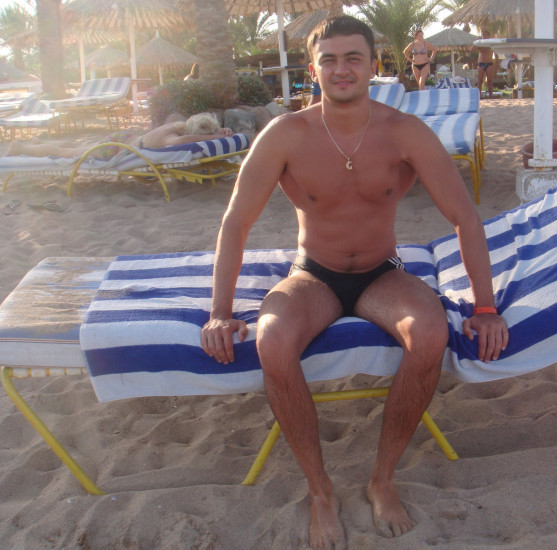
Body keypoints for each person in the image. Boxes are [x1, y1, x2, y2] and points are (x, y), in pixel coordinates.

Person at [200, 15, 508, 550]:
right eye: (329, 60)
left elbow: (464, 216)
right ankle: (320, 490)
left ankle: (381, 479)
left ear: (373, 65)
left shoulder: (404, 131)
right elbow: (236, 222)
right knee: (272, 339)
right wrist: (220, 312)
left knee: (429, 332)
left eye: (353, 58)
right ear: (313, 70)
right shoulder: (286, 134)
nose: (341, 69)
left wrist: (484, 308)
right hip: (312, 275)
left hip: (381, 273)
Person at [4, 113, 234, 159]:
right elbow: (184, 142)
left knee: (72, 147)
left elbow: (188, 135)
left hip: (124, 139)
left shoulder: (176, 124)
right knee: (68, 153)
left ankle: (38, 142)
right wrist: (214, 137)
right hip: (116, 149)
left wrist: (216, 131)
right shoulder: (171, 139)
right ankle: (21, 148)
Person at [471, 29, 497, 98]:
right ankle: (479, 96)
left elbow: (496, 54)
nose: (484, 36)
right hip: (481, 63)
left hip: (489, 63)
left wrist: (496, 65)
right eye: (483, 34)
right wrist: (476, 42)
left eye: (485, 34)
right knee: (480, 81)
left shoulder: (491, 43)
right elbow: (472, 50)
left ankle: (491, 96)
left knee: (489, 81)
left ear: (488, 35)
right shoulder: (480, 43)